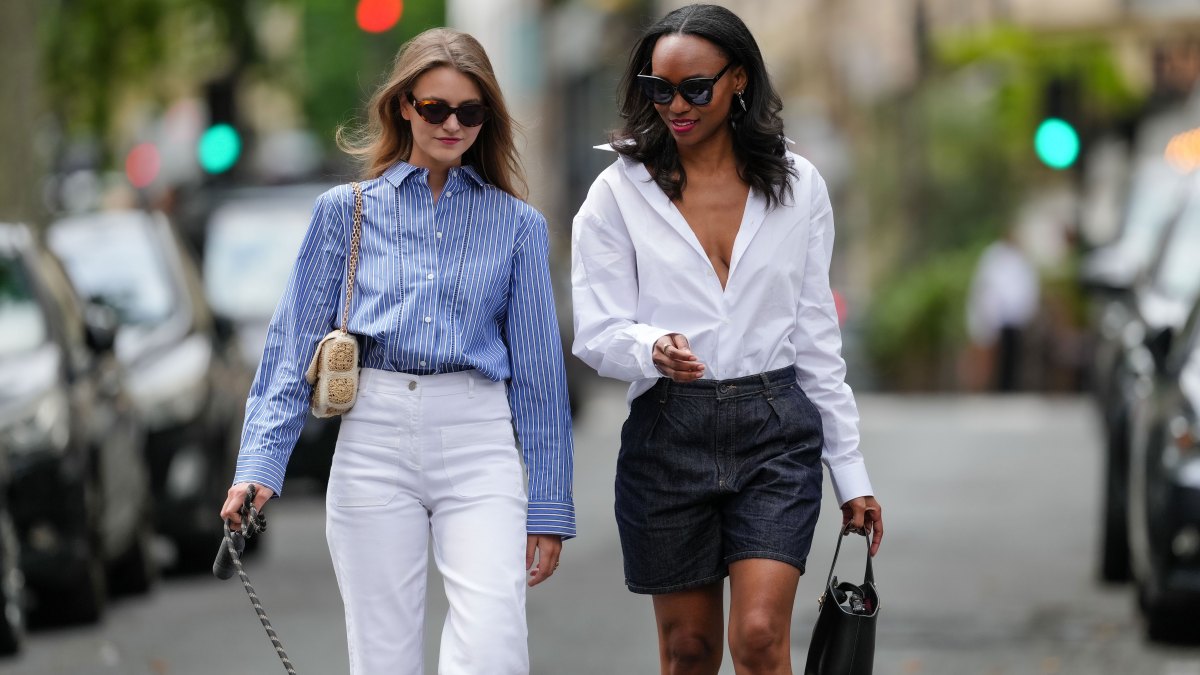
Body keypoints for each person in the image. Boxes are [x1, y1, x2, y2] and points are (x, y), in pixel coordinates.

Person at [220, 27, 574, 675]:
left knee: (494, 647)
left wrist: (549, 503)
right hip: (374, 439)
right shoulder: (344, 212)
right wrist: (259, 465)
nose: (451, 124)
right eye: (435, 107)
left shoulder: (519, 226)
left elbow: (540, 380)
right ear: (404, 105)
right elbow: (291, 346)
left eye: (469, 111)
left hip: (478, 440)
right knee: (383, 657)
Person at [570, 5, 882, 673]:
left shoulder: (798, 188)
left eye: (694, 88)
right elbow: (596, 328)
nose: (674, 105)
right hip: (667, 432)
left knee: (762, 635)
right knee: (689, 651)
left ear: (738, 79)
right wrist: (651, 346)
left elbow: (817, 340)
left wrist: (849, 472)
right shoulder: (615, 194)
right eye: (659, 89)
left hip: (775, 429)